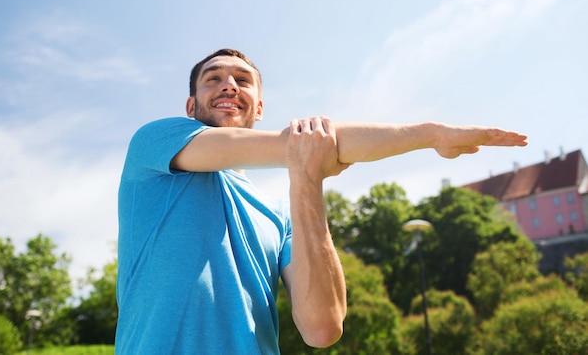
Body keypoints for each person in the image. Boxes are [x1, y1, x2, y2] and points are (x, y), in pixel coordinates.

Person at [115, 48, 527, 354]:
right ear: (190, 107)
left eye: (242, 79)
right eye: (213, 78)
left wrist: (307, 179)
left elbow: (322, 328)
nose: (229, 85)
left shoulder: (283, 215)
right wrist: (431, 134)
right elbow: (301, 144)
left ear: (259, 107)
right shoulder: (154, 146)